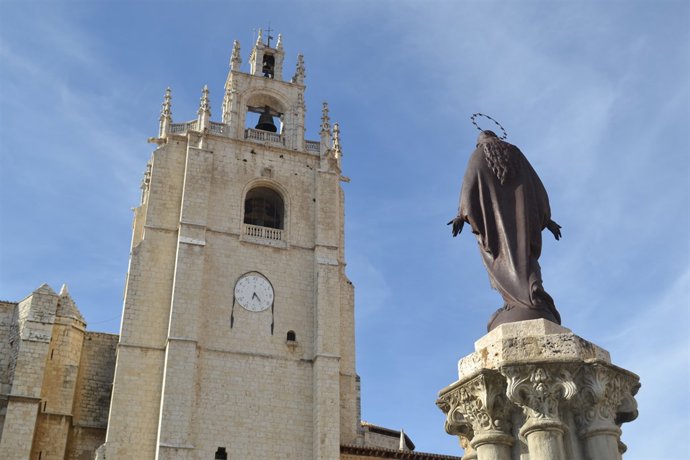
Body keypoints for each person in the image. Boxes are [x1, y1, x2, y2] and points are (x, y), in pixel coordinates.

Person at [448, 130, 562, 331]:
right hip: (524, 223)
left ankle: (518, 302)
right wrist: (547, 218)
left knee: (502, 260)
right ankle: (531, 296)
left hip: (495, 230)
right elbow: (537, 186)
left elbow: (469, 187)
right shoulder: (515, 154)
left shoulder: (478, 155)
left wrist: (461, 214)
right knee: (526, 259)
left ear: (480, 143)